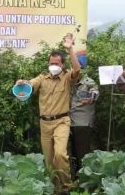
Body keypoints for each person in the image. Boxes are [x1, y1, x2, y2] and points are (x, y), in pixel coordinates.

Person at [15, 34, 80, 195]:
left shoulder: (66, 77)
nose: (53, 66)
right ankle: (55, 189)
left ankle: (66, 187)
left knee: (60, 154)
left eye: (57, 64)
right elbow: (30, 84)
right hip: (45, 124)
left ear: (62, 65)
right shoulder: (42, 78)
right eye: (51, 63)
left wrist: (70, 49)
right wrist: (22, 83)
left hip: (61, 121)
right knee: (49, 160)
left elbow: (77, 70)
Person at [69, 56, 99, 173]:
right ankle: (75, 177)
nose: (75, 69)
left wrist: (90, 98)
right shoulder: (69, 80)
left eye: (78, 66)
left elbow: (95, 92)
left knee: (82, 154)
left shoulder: (88, 82)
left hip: (82, 123)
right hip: (68, 121)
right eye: (72, 66)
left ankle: (83, 178)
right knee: (73, 153)